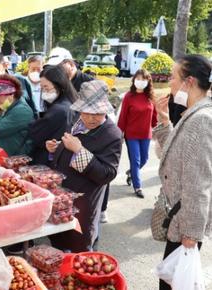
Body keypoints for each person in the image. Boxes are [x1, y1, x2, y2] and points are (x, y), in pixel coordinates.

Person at [153, 55, 212, 290]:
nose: (170, 83)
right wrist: (164, 120)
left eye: (173, 77)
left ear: (188, 82)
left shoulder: (202, 120)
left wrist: (191, 233)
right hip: (180, 219)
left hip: (184, 224)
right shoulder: (194, 113)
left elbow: (199, 183)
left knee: (172, 285)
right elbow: (179, 154)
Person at [47, 80, 122, 252]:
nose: (90, 118)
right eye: (86, 112)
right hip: (63, 196)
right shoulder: (76, 120)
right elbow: (68, 145)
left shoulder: (112, 134)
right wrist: (56, 147)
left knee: (80, 244)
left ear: (105, 110)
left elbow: (107, 174)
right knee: (59, 239)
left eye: (97, 113)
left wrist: (79, 151)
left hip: (85, 200)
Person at [118, 69, 157, 198]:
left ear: (148, 81)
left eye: (143, 79)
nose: (140, 82)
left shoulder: (150, 96)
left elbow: (154, 115)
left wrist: (156, 129)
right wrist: (120, 134)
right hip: (131, 135)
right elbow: (123, 116)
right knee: (135, 160)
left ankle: (132, 173)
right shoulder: (129, 96)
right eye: (138, 79)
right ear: (134, 80)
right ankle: (138, 186)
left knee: (144, 159)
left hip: (146, 134)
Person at [29, 65, 78, 165]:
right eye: (42, 88)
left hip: (48, 160)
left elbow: (36, 134)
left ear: (59, 85)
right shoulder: (71, 101)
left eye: (46, 87)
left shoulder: (59, 109)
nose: (44, 91)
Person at [0, 74, 34, 156]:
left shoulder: (22, 110)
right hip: (6, 157)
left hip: (16, 160)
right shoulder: (9, 107)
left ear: (11, 94)